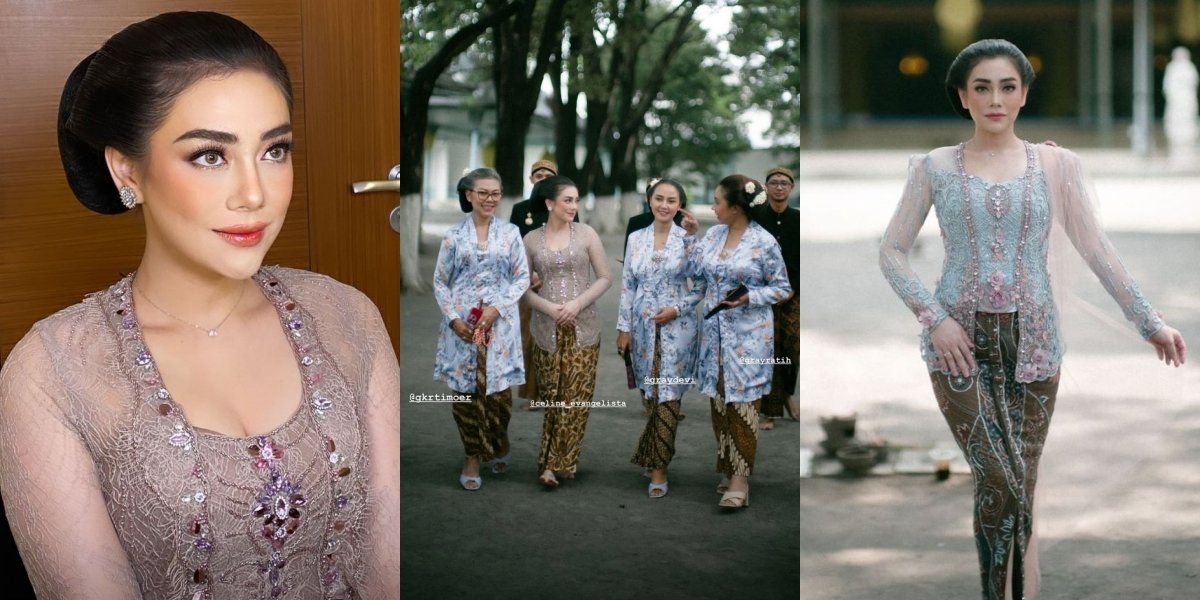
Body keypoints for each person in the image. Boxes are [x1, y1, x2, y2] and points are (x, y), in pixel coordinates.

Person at [0, 11, 400, 598]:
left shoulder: (346, 317)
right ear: (126, 169)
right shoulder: (52, 373)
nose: (255, 194)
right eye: (210, 155)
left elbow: (389, 562)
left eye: (275, 150)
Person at [879, 39, 1187, 600]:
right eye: (982, 87)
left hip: (1037, 344)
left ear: (1023, 95)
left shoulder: (1054, 164)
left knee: (1017, 482)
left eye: (1007, 86)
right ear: (962, 97)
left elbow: (1097, 250)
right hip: (958, 346)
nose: (995, 99)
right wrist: (935, 319)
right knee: (998, 477)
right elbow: (892, 251)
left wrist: (1150, 323)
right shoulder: (933, 167)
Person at [693, 175, 792, 510]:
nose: (712, 207)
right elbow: (696, 274)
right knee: (720, 401)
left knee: (743, 403)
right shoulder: (712, 235)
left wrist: (750, 296)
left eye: (717, 202)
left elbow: (782, 288)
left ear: (735, 208)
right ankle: (728, 465)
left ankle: (740, 479)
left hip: (749, 337)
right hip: (714, 335)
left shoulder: (763, 242)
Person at [433, 167, 530, 491]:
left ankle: (499, 439)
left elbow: (521, 278)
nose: (490, 199)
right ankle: (472, 456)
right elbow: (440, 282)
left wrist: (497, 307)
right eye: (483, 193)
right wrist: (453, 318)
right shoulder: (453, 236)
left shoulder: (511, 233)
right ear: (469, 195)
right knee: (465, 396)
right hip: (462, 328)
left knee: (499, 397)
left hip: (500, 327)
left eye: (495, 193)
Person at [521, 175, 612, 488]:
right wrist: (553, 310)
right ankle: (557, 460)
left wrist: (575, 305)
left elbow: (604, 278)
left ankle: (555, 463)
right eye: (568, 200)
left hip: (584, 328)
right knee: (553, 397)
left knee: (575, 398)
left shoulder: (586, 234)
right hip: (546, 329)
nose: (574, 206)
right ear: (550, 203)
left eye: (576, 200)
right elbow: (521, 289)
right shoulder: (531, 239)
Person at [615, 178, 701, 498]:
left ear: (680, 205)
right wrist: (623, 328)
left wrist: (677, 308)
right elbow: (628, 286)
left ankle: (659, 467)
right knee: (650, 394)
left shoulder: (689, 239)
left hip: (678, 329)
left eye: (672, 200)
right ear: (649, 201)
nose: (665, 205)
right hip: (641, 327)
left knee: (668, 395)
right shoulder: (636, 238)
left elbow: (702, 285)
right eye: (659, 198)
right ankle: (655, 451)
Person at [510, 160, 576, 411]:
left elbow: (573, 244)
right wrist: (529, 273)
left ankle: (558, 392)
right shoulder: (520, 208)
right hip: (528, 284)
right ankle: (535, 394)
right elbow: (512, 246)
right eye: (538, 175)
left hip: (559, 283)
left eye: (548, 176)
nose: (542, 179)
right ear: (531, 179)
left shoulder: (566, 207)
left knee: (558, 339)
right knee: (531, 338)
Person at [754, 166, 799, 430]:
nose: (779, 187)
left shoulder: (798, 219)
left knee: (791, 348)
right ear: (766, 186)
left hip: (793, 294)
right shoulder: (757, 218)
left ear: (791, 188)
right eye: (774, 183)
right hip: (762, 294)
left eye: (784, 183)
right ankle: (770, 412)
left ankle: (788, 395)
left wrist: (791, 288)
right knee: (768, 349)